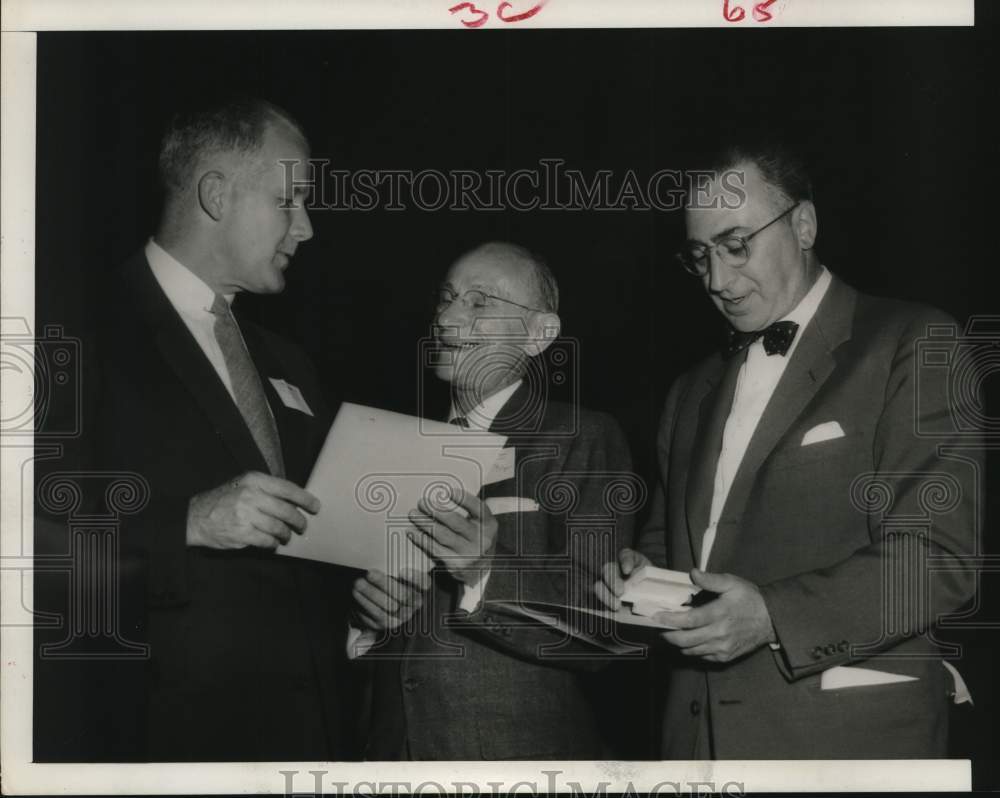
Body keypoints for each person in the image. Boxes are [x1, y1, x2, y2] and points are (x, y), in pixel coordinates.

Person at [597, 142, 980, 758]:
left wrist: (773, 616)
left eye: (736, 245)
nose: (717, 281)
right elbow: (674, 546)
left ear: (804, 225)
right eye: (700, 256)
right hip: (696, 744)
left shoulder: (913, 341)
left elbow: (938, 559)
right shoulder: (689, 391)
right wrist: (640, 581)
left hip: (847, 741)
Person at [44, 97, 353, 761]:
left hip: (310, 734)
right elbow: (26, 539)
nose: (307, 228)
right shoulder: (64, 329)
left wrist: (364, 592)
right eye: (289, 201)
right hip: (157, 738)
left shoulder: (289, 361)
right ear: (216, 194)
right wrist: (188, 522)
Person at [350, 242, 638, 760]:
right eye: (446, 297)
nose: (446, 317)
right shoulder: (391, 446)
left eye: (479, 302)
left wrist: (485, 569)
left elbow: (601, 628)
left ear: (539, 334)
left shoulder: (580, 436)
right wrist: (366, 619)